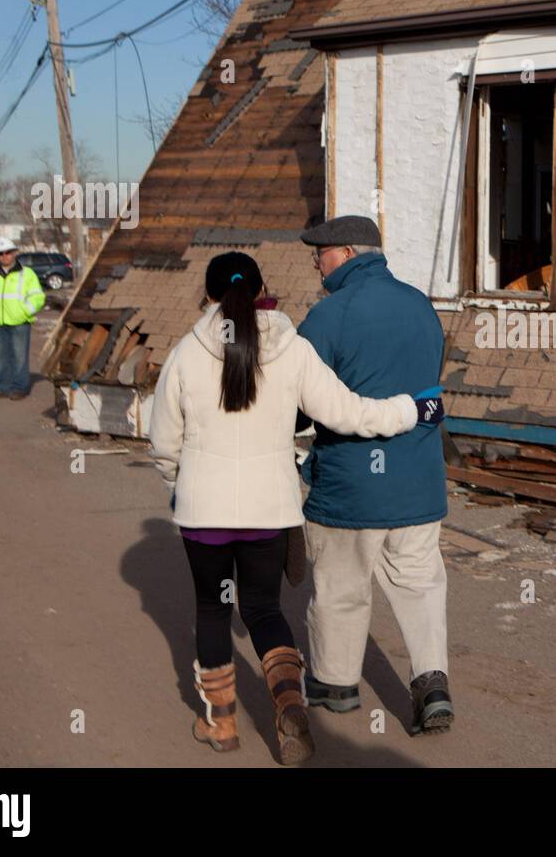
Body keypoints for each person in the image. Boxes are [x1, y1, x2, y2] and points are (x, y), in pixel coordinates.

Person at [148, 251, 435, 765]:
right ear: (262, 289)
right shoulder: (293, 348)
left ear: (210, 296)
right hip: (271, 513)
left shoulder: (185, 354)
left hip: (204, 516)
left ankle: (222, 723)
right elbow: (349, 413)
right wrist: (410, 409)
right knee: (263, 611)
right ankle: (288, 704)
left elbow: (165, 443)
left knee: (213, 611)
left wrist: (179, 483)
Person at [295, 214, 454, 736]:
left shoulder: (327, 317)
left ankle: (337, 688)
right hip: (418, 482)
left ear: (342, 253)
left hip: (352, 486)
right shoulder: (421, 306)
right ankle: (432, 688)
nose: (316, 264)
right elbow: (426, 388)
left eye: (319, 254)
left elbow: (300, 402)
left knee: (342, 586)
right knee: (421, 587)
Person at [0, 238, 45, 400]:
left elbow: (38, 297)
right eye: (0, 253)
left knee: (20, 356)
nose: (4, 256)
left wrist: (24, 312)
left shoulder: (27, 274)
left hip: (19, 322)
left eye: (7, 252)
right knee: (0, 357)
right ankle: (4, 387)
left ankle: (20, 387)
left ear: (14, 253)